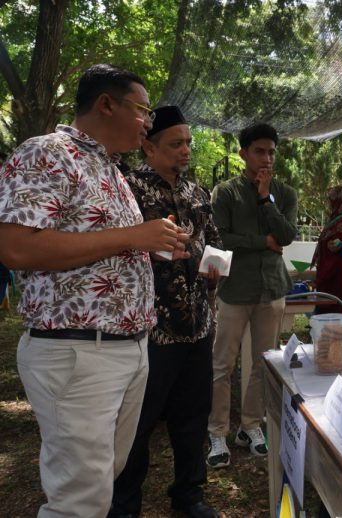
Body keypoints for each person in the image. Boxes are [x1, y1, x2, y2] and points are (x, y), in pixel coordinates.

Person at [0, 64, 189, 517]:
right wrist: (134, 237)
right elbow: (15, 248)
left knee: (103, 478)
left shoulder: (110, 167)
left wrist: (150, 247)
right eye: (142, 110)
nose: (147, 122)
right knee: (79, 500)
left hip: (125, 349)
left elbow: (102, 245)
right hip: (79, 352)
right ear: (106, 103)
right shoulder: (48, 153)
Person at [110, 106, 222, 518]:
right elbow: (115, 250)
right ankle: (124, 503)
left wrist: (215, 270)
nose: (186, 150)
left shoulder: (197, 194)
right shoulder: (128, 190)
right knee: (137, 423)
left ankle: (189, 495)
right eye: (176, 144)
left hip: (197, 326)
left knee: (193, 416)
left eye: (188, 142)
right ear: (148, 146)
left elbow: (214, 242)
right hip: (150, 331)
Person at [207, 122, 298, 468]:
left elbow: (287, 235)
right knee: (222, 364)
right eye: (259, 151)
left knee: (264, 363)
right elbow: (220, 239)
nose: (266, 158)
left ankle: (250, 427)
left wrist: (264, 198)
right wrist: (263, 242)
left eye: (272, 151)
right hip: (235, 290)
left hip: (272, 289)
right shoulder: (226, 193)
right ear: (243, 153)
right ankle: (217, 432)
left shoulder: (284, 193)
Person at [310, 185, 342, 313]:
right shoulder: (337, 221)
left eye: (331, 200)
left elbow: (337, 259)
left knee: (333, 317)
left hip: (336, 280)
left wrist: (320, 279)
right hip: (330, 279)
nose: (329, 204)